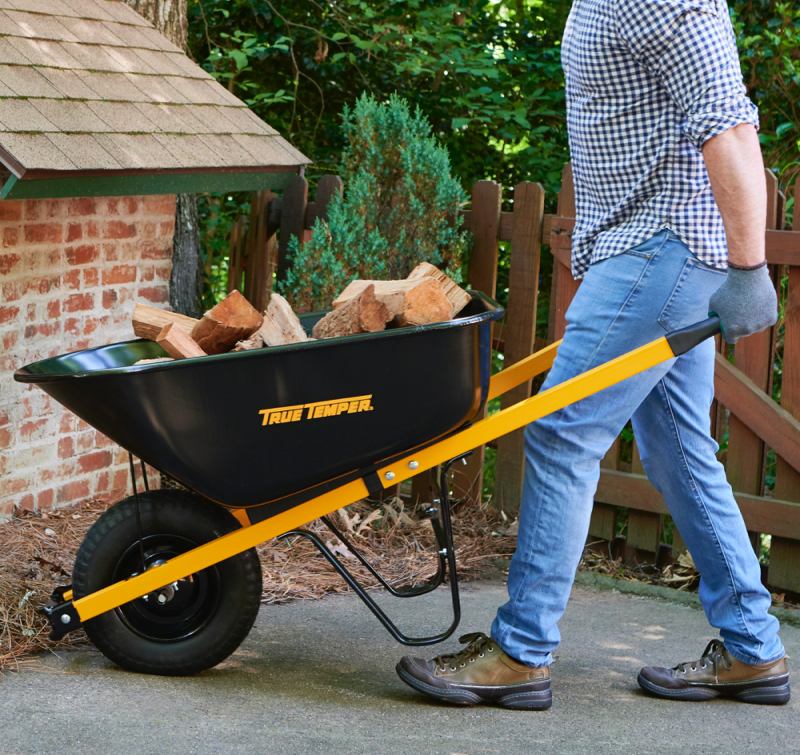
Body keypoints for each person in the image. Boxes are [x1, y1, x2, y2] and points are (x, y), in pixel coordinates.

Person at [396, 0, 790, 709]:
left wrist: (749, 264)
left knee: (561, 432)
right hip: (652, 247)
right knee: (678, 450)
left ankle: (520, 652)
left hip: (659, 251)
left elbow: (728, 121)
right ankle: (753, 647)